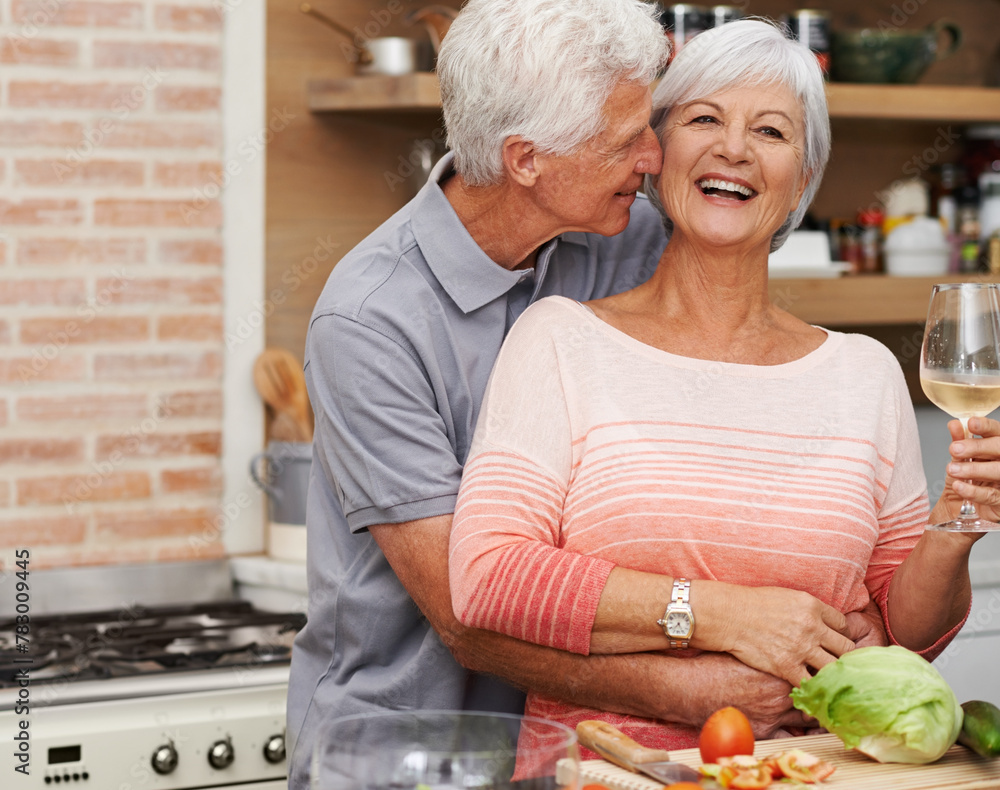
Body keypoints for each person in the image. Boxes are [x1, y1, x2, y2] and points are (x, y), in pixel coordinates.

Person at [286, 4, 868, 788]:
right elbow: (469, 615)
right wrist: (702, 676)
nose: (653, 155)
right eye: (629, 137)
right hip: (404, 754)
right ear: (526, 159)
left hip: (563, 758)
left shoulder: (620, 236)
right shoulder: (370, 322)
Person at [448, 18, 990, 753]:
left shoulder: (863, 374)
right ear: (655, 152)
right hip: (611, 771)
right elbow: (489, 578)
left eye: (770, 132)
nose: (733, 148)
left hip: (813, 770)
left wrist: (959, 519)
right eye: (705, 119)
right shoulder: (560, 341)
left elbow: (900, 637)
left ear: (802, 178)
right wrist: (723, 614)